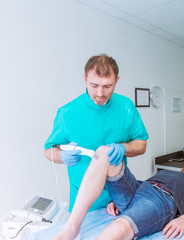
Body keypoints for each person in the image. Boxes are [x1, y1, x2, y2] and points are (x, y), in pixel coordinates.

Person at [44, 54, 149, 212]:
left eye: (107, 86)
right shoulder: (68, 113)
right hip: (85, 203)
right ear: (85, 79)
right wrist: (61, 156)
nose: (100, 93)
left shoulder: (126, 107)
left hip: (119, 199)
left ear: (117, 81)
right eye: (94, 85)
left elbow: (141, 144)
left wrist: (123, 148)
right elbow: (48, 150)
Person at [53, 146, 184, 240]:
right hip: (141, 188)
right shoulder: (167, 173)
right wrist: (114, 200)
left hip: (162, 198)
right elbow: (141, 184)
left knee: (120, 225)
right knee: (105, 152)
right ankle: (72, 227)